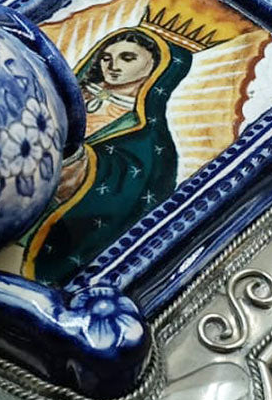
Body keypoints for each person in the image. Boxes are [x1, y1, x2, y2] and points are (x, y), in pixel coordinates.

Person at [21, 26, 192, 285]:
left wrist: (83, 162)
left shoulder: (147, 135)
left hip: (50, 217)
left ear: (155, 66)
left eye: (128, 58)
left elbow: (130, 184)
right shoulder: (68, 92)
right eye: (106, 57)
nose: (112, 67)